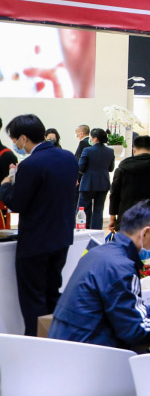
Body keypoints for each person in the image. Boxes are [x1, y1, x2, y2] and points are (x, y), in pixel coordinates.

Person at [49, 200, 150, 348]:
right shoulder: (122, 267)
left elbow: (125, 308)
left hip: (70, 344)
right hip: (90, 351)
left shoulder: (98, 253)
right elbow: (134, 330)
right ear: (145, 233)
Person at [1, 114, 79, 335]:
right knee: (53, 292)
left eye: (14, 139)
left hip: (35, 242)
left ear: (23, 138)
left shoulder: (30, 164)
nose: (15, 144)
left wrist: (5, 186)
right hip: (61, 237)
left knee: (33, 298)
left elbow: (18, 203)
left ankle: (35, 342)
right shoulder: (68, 157)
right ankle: (56, 337)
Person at [108, 135, 150, 228]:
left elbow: (114, 194)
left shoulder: (122, 168)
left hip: (128, 215)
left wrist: (112, 217)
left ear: (134, 150)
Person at [78, 128, 115, 230]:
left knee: (83, 209)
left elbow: (81, 167)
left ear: (95, 138)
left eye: (90, 137)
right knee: (99, 210)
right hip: (103, 183)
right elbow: (111, 168)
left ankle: (83, 230)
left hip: (88, 183)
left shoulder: (87, 150)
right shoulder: (110, 151)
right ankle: (97, 231)